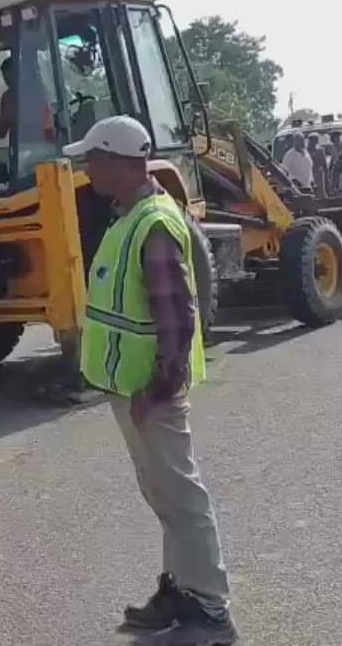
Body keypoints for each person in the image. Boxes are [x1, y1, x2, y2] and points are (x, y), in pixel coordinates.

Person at [63, 116, 239, 645]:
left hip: (150, 392)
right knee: (164, 494)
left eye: (93, 159)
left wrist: (158, 389)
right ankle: (182, 589)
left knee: (181, 496)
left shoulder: (154, 223)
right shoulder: (130, 216)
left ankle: (209, 608)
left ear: (118, 161)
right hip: (134, 388)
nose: (87, 169)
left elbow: (178, 318)